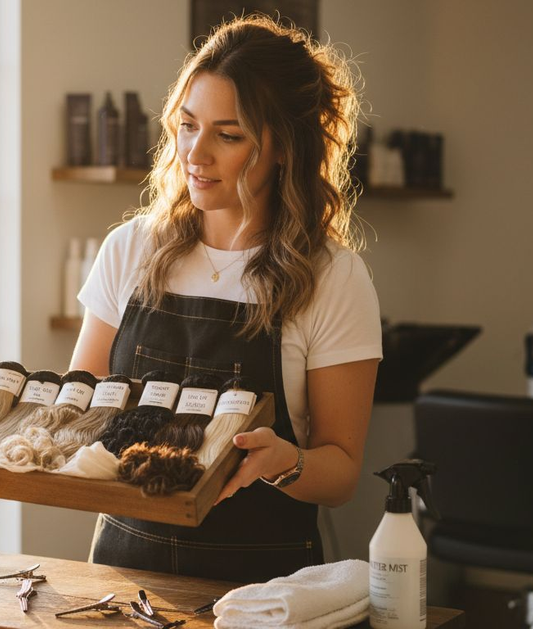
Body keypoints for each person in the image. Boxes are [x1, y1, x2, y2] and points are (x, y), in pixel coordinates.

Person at [70, 14, 382, 583]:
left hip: (261, 590)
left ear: (284, 147)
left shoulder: (333, 277)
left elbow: (340, 475)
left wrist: (286, 463)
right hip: (119, 578)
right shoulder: (128, 250)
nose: (196, 152)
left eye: (228, 135)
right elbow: (81, 410)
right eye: (188, 125)